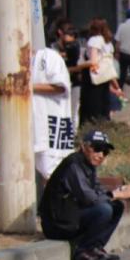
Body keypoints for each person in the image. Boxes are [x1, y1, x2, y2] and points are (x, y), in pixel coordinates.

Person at [39, 129, 130, 260]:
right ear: (84, 147)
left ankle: (95, 248)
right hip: (58, 224)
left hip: (71, 217)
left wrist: (124, 190)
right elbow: (89, 198)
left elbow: (99, 191)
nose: (100, 155)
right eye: (97, 149)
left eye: (105, 152)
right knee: (104, 210)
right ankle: (83, 252)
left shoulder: (88, 166)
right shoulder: (73, 165)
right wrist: (116, 194)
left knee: (116, 207)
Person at [32, 24, 75, 179]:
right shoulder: (15, 58)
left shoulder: (48, 56)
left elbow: (60, 87)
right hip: (31, 125)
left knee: (52, 172)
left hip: (50, 124)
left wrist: (29, 87)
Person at [78, 17, 123, 124]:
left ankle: (89, 130)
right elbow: (108, 66)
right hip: (105, 78)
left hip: (93, 78)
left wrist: (78, 66)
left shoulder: (94, 40)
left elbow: (93, 62)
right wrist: (117, 86)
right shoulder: (108, 43)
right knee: (103, 108)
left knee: (90, 107)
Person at [115, 8, 130, 96]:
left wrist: (116, 53)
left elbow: (118, 41)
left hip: (123, 53)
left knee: (122, 75)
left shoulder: (122, 26)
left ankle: (120, 93)